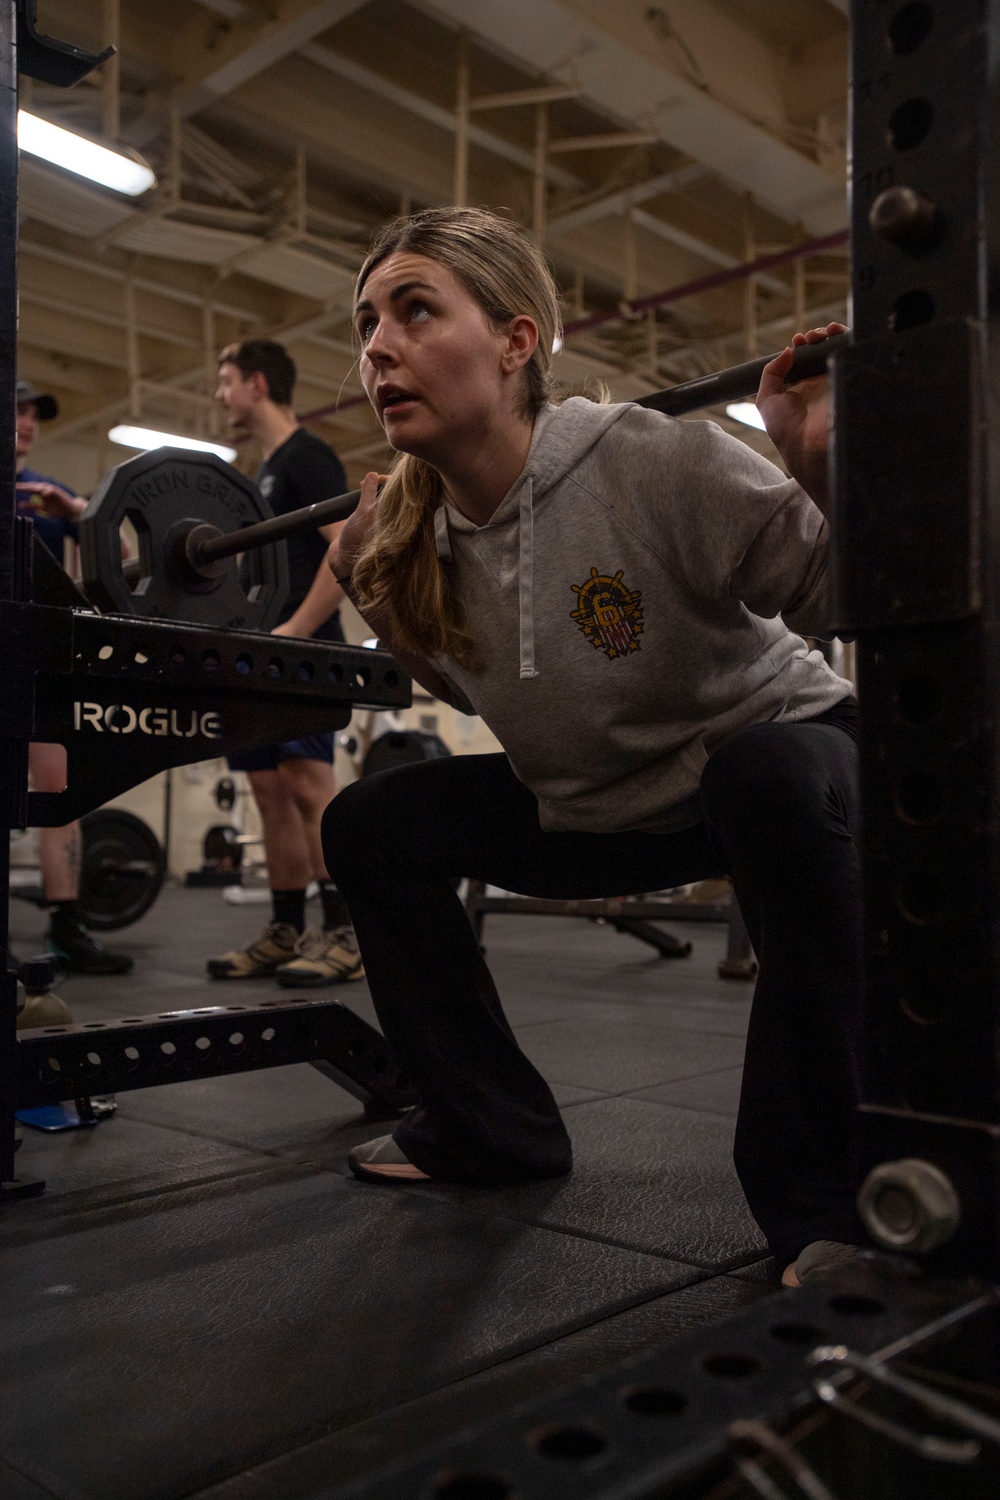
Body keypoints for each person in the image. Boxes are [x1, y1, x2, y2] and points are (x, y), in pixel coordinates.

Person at [322, 206, 863, 1290]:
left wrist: (815, 467)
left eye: (416, 310)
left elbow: (848, 597)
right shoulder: (413, 543)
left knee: (767, 775)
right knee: (374, 822)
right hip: (594, 805)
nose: (378, 346)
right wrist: (376, 601)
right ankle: (489, 1129)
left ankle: (831, 1198)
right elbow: (465, 687)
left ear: (518, 343)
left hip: (778, 755)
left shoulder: (652, 460)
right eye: (368, 322)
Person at [207, 340, 362, 988]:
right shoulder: (262, 473)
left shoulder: (307, 455)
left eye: (226, 381)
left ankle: (348, 936)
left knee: (306, 784)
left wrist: (297, 629)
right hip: (263, 649)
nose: (220, 395)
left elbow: (349, 544)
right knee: (269, 791)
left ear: (258, 385)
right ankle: (286, 929)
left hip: (303, 645)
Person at [15, 380, 132, 975]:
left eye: (34, 414)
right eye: (18, 410)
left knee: (60, 793)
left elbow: (118, 554)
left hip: (38, 659)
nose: (28, 423)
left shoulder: (47, 495)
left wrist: (79, 513)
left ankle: (67, 928)